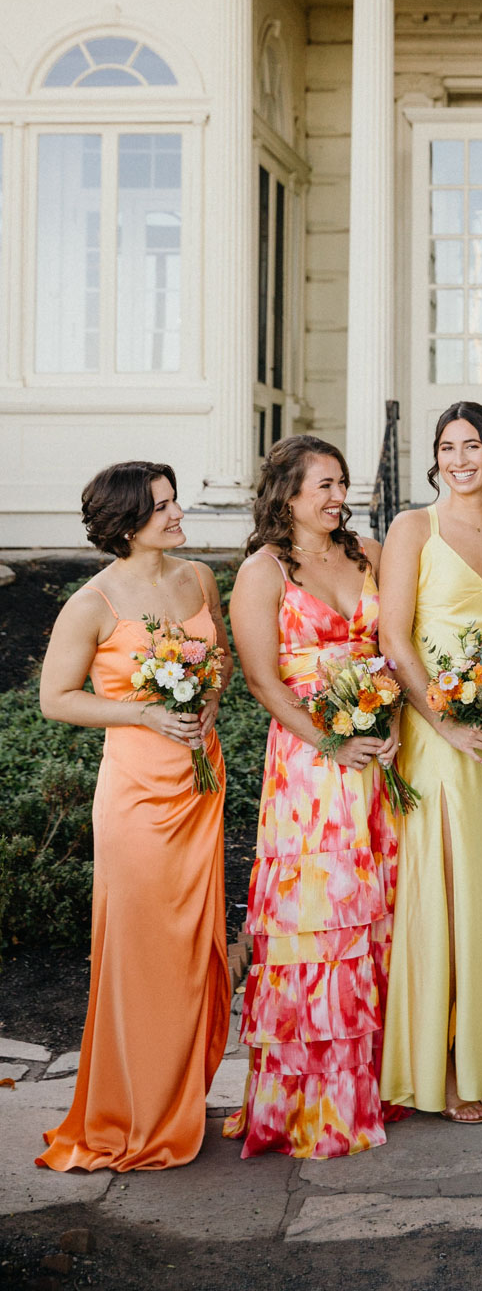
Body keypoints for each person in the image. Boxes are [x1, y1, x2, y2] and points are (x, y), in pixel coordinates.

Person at [37, 461, 229, 1172]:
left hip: (201, 788)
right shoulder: (92, 603)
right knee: (144, 955)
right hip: (139, 800)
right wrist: (144, 712)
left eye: (175, 501)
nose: (179, 514)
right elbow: (57, 698)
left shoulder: (198, 579)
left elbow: (222, 664)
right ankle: (136, 1112)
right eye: (163, 506)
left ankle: (180, 1096)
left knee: (193, 954)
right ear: (124, 523)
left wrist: (207, 699)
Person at [223, 436, 399, 1158]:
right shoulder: (262, 573)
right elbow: (263, 681)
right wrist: (330, 742)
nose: (337, 498)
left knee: (374, 910)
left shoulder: (370, 554)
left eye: (341, 485)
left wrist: (389, 723)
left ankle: (373, 1083)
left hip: (375, 759)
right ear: (287, 494)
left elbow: (394, 646)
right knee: (314, 922)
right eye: (322, 486)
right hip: (307, 767)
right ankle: (308, 1099)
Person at [378, 403, 482, 1121]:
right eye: (446, 447)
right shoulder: (413, 529)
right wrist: (444, 724)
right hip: (436, 735)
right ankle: (440, 1062)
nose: (459, 458)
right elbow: (395, 640)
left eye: (472, 445)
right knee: (442, 887)